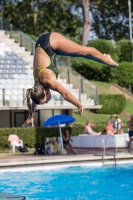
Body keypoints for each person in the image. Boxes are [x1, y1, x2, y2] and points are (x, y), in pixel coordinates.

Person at [22, 32, 118, 127]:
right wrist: (31, 115)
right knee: (75, 54)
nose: (47, 102)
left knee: (81, 51)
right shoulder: (37, 86)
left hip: (50, 41)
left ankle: (106, 58)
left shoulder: (49, 81)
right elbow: (35, 97)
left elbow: (65, 94)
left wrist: (78, 105)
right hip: (42, 43)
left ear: (45, 93)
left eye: (45, 101)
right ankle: (103, 57)